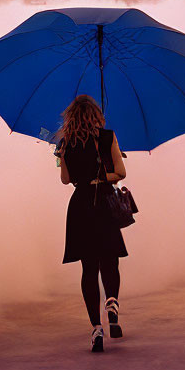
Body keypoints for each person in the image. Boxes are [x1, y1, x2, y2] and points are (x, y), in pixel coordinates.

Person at [57, 94, 128, 353]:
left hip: (80, 206)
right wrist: (105, 172)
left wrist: (63, 157)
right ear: (96, 115)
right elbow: (120, 173)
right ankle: (112, 301)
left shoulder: (66, 144)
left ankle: (96, 327)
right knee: (110, 260)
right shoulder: (107, 137)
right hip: (104, 202)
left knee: (89, 268)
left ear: (71, 118)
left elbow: (66, 180)